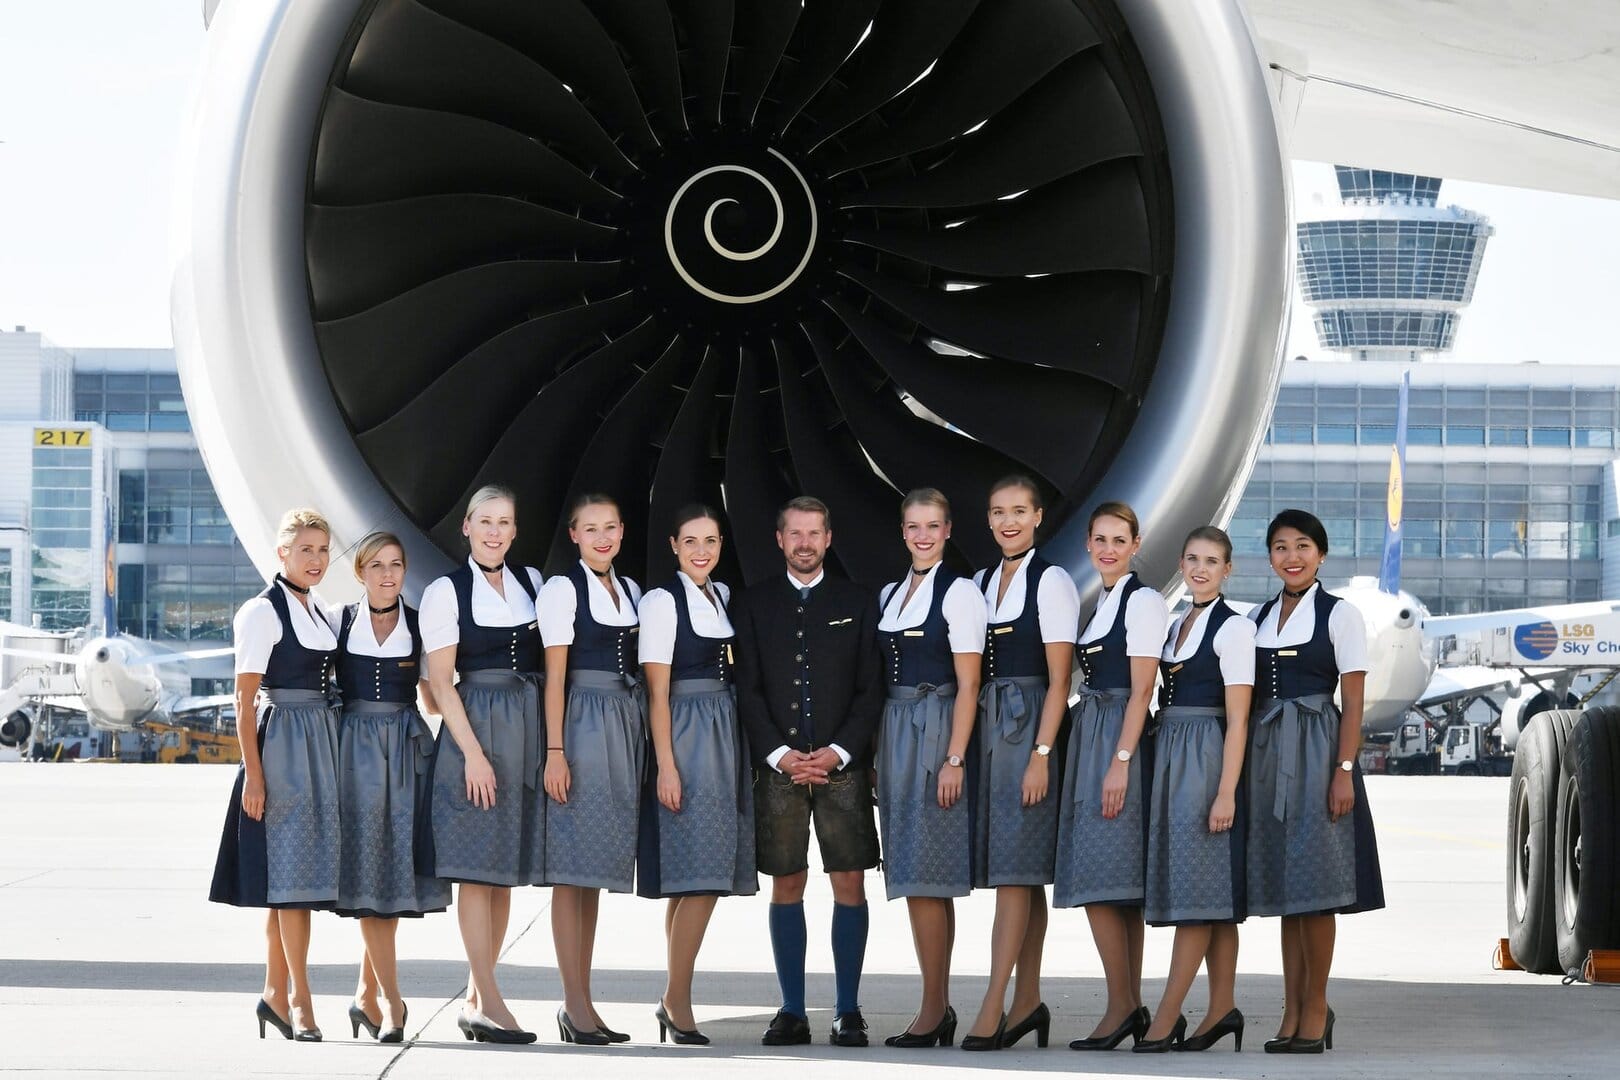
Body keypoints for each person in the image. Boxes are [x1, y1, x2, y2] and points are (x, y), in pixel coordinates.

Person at [732, 496, 884, 1048]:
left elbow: (873, 688)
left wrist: (841, 750)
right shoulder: (752, 605)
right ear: (779, 539)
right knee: (787, 882)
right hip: (780, 769)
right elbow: (745, 688)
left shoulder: (858, 601)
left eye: (814, 533)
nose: (804, 543)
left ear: (828, 537)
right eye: (794, 533)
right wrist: (779, 753)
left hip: (841, 766)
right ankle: (792, 1009)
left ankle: (847, 1010)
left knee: (849, 880)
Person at [1248, 509, 1384, 1055]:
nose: (1293, 557)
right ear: (1271, 557)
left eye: (1303, 546)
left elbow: (1353, 702)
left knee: (1317, 893)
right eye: (1281, 547)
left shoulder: (1340, 614)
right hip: (1269, 756)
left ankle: (1316, 1006)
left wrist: (1344, 770)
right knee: (1287, 891)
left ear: (1320, 555)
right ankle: (1291, 1006)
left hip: (1320, 750)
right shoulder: (1258, 616)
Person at [417, 484, 545, 1044]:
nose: (495, 531)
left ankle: (476, 998)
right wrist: (471, 754)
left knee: (503, 875)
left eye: (505, 522)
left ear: (515, 531)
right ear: (466, 527)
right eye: (485, 521)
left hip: (523, 736)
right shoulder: (446, 592)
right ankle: (491, 999)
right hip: (475, 737)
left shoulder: (533, 585)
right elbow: (441, 683)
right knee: (475, 870)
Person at [209, 508, 342, 1042]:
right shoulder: (261, 613)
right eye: (305, 550)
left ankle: (272, 994)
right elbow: (243, 702)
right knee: (293, 885)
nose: (315, 560)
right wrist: (255, 778)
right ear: (282, 553)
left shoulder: (321, 611)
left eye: (322, 550)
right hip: (282, 742)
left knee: (290, 882)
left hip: (317, 744)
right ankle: (300, 1001)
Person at [962, 476, 1078, 1050]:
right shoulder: (983, 581)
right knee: (1021, 874)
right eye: (998, 511)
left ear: (1038, 516)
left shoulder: (1051, 580)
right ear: (988, 520)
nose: (1008, 521)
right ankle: (1028, 1000)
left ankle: (993, 1002)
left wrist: (1041, 754)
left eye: (1019, 511)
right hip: (991, 724)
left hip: (1029, 723)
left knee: (1013, 872)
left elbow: (1061, 680)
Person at [636, 504, 758, 1046]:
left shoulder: (723, 596)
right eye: (691, 541)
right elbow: (657, 692)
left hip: (723, 730)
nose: (702, 550)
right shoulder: (663, 603)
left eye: (710, 540)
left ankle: (674, 994)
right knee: (704, 872)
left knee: (692, 876)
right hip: (686, 733)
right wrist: (666, 763)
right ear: (674, 546)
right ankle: (676, 1000)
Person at [874, 488, 986, 1048]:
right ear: (903, 531)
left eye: (933, 526)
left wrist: (954, 758)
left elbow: (969, 683)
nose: (923, 535)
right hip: (896, 732)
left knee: (929, 878)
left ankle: (933, 1008)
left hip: (937, 728)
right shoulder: (892, 594)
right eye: (914, 526)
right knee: (915, 877)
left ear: (947, 531)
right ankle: (935, 1006)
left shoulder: (959, 592)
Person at [1054, 501, 1168, 1050]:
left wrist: (1120, 763)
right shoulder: (1105, 599)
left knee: (1103, 879)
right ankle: (1130, 1004)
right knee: (1117, 884)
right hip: (1096, 732)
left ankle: (1121, 1005)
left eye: (1118, 540)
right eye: (1099, 539)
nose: (1107, 549)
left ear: (1135, 544)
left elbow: (1143, 689)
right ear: (1088, 544)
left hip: (1116, 738)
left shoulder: (1143, 601)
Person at [1138, 527, 1254, 1053]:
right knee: (1211, 898)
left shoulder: (1234, 630)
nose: (1201, 569)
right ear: (1181, 564)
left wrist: (1226, 791)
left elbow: (1239, 720)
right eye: (1193, 559)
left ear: (1227, 570)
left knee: (1198, 895)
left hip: (1206, 755)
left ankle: (1166, 1015)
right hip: (1173, 754)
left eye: (1212, 561)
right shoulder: (1178, 622)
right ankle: (1222, 1008)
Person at [332, 531, 451, 1043]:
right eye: (377, 565)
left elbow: (433, 697)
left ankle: (365, 996)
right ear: (360, 571)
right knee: (369, 874)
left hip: (405, 753)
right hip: (355, 753)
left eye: (396, 565)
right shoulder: (338, 622)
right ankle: (393, 1002)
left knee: (390, 873)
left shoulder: (421, 626)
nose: (388, 574)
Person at [540, 494, 644, 1046]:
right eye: (591, 529)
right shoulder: (563, 589)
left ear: (622, 532)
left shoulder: (628, 591)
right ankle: (573, 1004)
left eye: (610, 527)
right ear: (574, 535)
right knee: (572, 869)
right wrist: (556, 751)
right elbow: (555, 677)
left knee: (596, 872)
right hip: (581, 723)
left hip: (622, 725)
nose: (602, 537)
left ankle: (585, 1001)